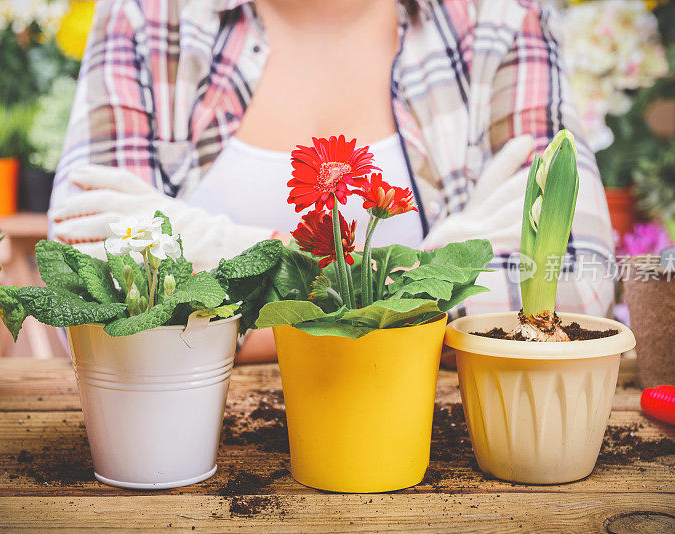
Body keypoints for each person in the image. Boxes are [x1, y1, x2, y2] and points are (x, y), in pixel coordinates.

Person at [48, 0, 615, 364]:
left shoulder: (501, 19)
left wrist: (229, 261)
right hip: (182, 446)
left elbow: (570, 288)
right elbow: (83, 281)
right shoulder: (150, 17)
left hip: (436, 451)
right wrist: (431, 279)